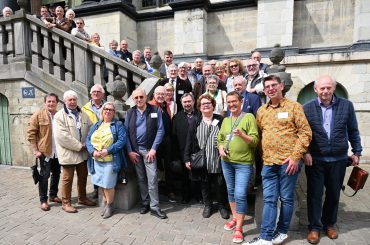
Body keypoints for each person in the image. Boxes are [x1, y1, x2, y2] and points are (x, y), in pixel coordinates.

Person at [245, 74, 312, 245]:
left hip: (288, 163)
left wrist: (296, 157)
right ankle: (266, 236)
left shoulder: (294, 107)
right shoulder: (262, 111)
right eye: (267, 86)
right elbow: (260, 135)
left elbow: (305, 133)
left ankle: (281, 231)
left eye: (274, 85)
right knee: (269, 199)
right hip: (268, 163)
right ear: (264, 90)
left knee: (287, 198)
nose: (271, 89)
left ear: (281, 86)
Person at [303, 75, 362, 244]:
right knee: (314, 195)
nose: (325, 91)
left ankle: (329, 224)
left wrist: (357, 152)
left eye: (328, 87)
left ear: (334, 88)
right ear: (316, 90)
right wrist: (305, 152)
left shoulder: (346, 106)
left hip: (338, 159)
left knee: (334, 194)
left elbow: (353, 130)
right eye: (322, 88)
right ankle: (314, 227)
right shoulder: (307, 108)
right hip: (315, 160)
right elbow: (302, 133)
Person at [218, 91, 259, 243]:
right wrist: (221, 148)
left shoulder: (248, 117)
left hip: (243, 163)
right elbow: (220, 138)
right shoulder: (225, 120)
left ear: (241, 101)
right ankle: (235, 218)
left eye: (234, 101)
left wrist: (242, 135)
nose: (231, 105)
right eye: (228, 102)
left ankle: (239, 228)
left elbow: (255, 141)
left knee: (240, 193)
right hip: (226, 162)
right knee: (230, 191)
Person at [184, 94, 229, 219]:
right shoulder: (195, 121)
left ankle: (222, 206)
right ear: (199, 107)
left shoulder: (221, 120)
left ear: (213, 105)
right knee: (205, 184)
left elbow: (226, 137)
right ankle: (208, 205)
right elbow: (189, 141)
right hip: (203, 159)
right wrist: (187, 158)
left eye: (208, 103)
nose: (206, 105)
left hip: (218, 159)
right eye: (203, 104)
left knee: (220, 184)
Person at [125, 88, 167, 219]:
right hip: (136, 151)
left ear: (146, 97)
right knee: (141, 178)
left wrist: (154, 148)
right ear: (133, 99)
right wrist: (130, 151)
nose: (138, 100)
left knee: (153, 177)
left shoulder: (155, 110)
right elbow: (125, 133)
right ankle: (145, 202)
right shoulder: (130, 112)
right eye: (136, 97)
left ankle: (155, 206)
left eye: (141, 97)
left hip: (149, 151)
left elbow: (160, 130)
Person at [54, 90, 96, 213]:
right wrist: (80, 146)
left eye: (74, 99)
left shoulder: (83, 114)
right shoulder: (59, 116)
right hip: (69, 152)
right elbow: (62, 137)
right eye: (69, 100)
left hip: (82, 152)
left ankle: (82, 198)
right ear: (65, 101)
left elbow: (92, 128)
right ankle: (66, 203)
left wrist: (88, 143)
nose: (72, 102)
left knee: (83, 176)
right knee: (68, 178)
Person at [86, 102, 127, 219]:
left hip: (111, 160)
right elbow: (88, 139)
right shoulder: (97, 125)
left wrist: (107, 150)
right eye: (106, 109)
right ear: (102, 111)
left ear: (114, 112)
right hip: (96, 159)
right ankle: (105, 202)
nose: (108, 111)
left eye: (110, 110)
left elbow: (122, 141)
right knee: (101, 183)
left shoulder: (118, 125)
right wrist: (92, 151)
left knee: (108, 184)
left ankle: (110, 205)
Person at [27, 93, 62, 211]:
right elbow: (31, 134)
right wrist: (35, 150)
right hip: (44, 152)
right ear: (45, 102)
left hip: (58, 152)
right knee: (44, 176)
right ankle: (43, 200)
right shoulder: (38, 115)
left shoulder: (59, 115)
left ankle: (53, 195)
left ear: (57, 103)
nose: (51, 103)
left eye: (53, 101)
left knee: (56, 174)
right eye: (49, 101)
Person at [172, 93, 200, 204]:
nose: (187, 104)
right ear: (181, 103)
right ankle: (186, 196)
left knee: (198, 175)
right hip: (182, 151)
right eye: (185, 102)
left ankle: (199, 196)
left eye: (189, 101)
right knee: (184, 176)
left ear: (193, 102)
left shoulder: (200, 115)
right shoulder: (177, 117)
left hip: (198, 151)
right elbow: (173, 136)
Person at [148, 86, 175, 202]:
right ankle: (154, 194)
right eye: (158, 94)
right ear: (153, 94)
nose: (160, 96)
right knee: (154, 167)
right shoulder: (149, 106)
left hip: (167, 141)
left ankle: (170, 190)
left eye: (162, 94)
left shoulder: (166, 105)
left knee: (168, 166)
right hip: (154, 141)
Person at [82, 84, 106, 198]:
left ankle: (105, 188)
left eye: (98, 91)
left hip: (105, 141)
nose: (95, 93)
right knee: (93, 166)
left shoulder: (107, 106)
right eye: (93, 92)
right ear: (91, 94)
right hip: (91, 142)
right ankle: (96, 189)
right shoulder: (85, 108)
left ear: (103, 94)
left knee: (105, 165)